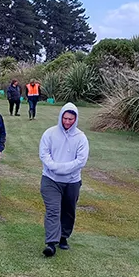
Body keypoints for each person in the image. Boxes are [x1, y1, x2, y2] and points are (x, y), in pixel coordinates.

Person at [39, 103, 89, 257]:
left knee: (68, 210)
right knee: (53, 210)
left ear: (76, 119)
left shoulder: (81, 138)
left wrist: (62, 168)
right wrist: (54, 167)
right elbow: (44, 154)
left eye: (71, 119)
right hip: (50, 179)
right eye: (65, 118)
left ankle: (63, 237)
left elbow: (81, 161)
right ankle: (51, 243)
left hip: (72, 181)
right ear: (60, 117)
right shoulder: (49, 133)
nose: (67, 122)